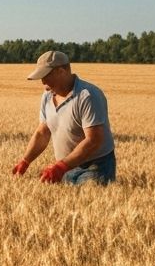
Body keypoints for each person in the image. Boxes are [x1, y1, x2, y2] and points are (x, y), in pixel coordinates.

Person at [12, 50, 115, 185]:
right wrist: (25, 161)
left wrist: (61, 167)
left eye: (46, 76)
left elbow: (94, 140)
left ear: (61, 71)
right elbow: (43, 132)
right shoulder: (47, 96)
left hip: (95, 167)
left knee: (86, 199)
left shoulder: (87, 96)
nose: (43, 82)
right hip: (65, 167)